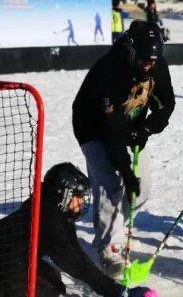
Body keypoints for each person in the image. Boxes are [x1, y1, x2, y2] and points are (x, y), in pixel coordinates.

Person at [0, 163, 159, 297]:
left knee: (51, 275)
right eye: (78, 197)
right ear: (63, 194)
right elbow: (78, 265)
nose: (81, 203)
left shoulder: (47, 204)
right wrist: (119, 294)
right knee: (52, 291)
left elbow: (75, 253)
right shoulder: (51, 221)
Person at [72, 22, 175, 277]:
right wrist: (126, 172)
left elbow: (166, 105)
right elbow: (110, 133)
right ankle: (109, 247)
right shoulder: (111, 71)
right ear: (130, 52)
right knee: (111, 185)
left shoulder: (156, 64)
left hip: (131, 126)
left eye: (153, 61)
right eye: (144, 61)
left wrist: (147, 129)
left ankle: (119, 224)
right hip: (94, 128)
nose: (149, 66)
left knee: (141, 191)